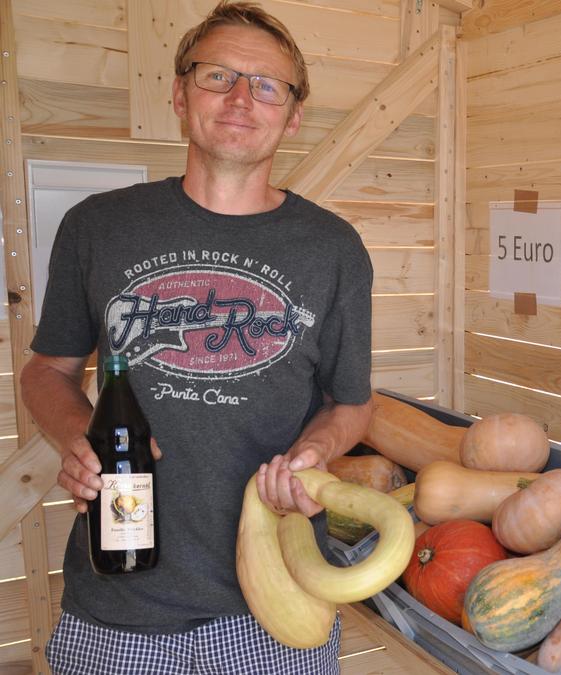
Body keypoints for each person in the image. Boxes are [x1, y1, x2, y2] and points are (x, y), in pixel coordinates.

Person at [20, 2, 374, 672]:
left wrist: (310, 453)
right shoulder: (97, 227)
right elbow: (47, 370)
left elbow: (351, 403)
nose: (242, 97)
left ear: (293, 115)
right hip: (119, 606)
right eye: (218, 76)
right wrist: (82, 439)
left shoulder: (334, 249)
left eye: (267, 84)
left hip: (276, 598)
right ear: (180, 94)